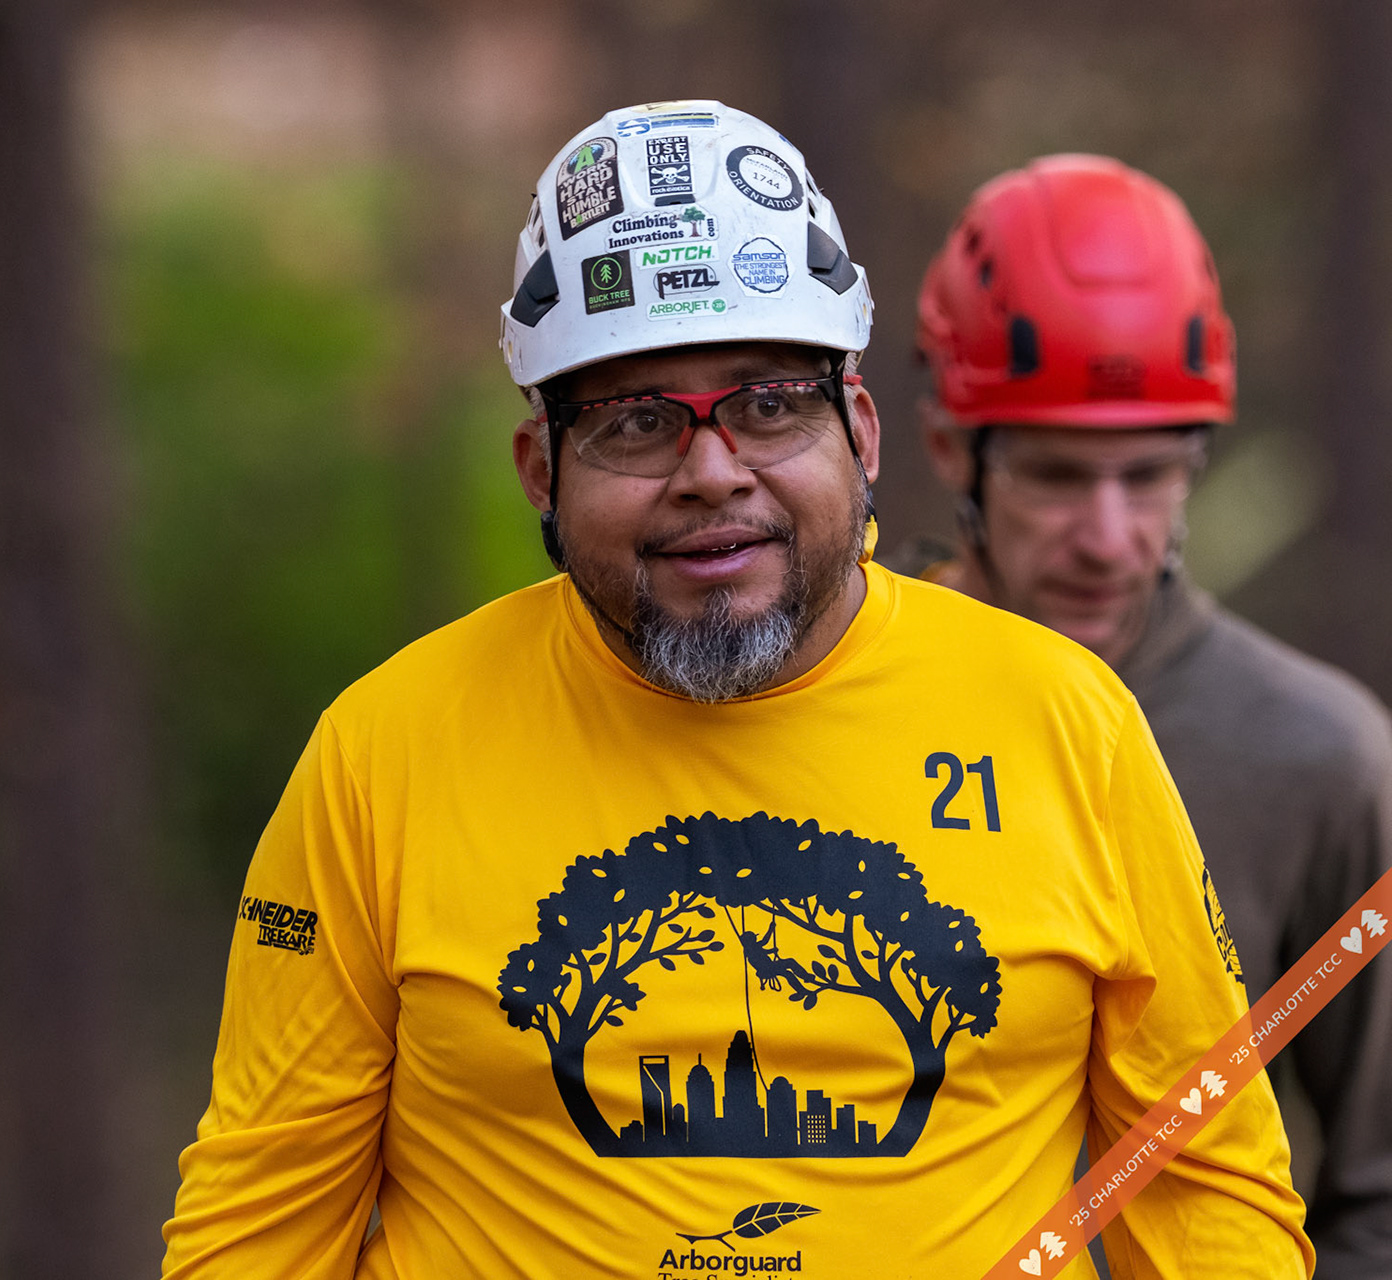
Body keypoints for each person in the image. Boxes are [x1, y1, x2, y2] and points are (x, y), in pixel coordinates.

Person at [161, 103, 1310, 1277]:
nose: (712, 473)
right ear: (540, 472)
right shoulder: (384, 751)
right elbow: (258, 1216)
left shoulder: (1067, 723)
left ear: (860, 433)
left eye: (769, 404)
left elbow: (1208, 1180)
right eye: (636, 422)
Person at [913, 154, 1392, 1277]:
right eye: (1057, 475)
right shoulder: (835, 701)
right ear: (951, 452)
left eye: (1152, 474)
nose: (1110, 535)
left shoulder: (1319, 761)